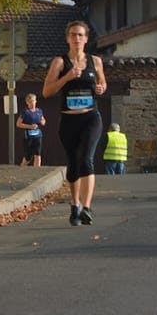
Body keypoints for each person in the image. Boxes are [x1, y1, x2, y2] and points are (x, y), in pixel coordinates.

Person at [42, 20, 106, 226]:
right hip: (69, 118)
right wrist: (67, 77)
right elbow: (47, 91)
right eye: (73, 35)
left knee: (87, 158)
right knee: (73, 163)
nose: (77, 39)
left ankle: (87, 208)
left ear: (86, 39)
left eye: (80, 35)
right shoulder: (60, 62)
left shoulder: (95, 61)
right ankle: (74, 204)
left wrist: (101, 88)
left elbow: (102, 83)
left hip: (90, 117)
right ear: (67, 39)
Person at [16, 93, 46, 166]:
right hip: (28, 136)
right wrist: (30, 127)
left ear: (36, 101)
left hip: (38, 135)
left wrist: (42, 122)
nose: (32, 103)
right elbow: (18, 124)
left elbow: (43, 120)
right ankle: (22, 167)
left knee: (38, 154)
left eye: (33, 101)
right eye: (30, 102)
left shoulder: (39, 111)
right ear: (27, 103)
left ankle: (36, 172)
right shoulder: (25, 112)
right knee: (28, 156)